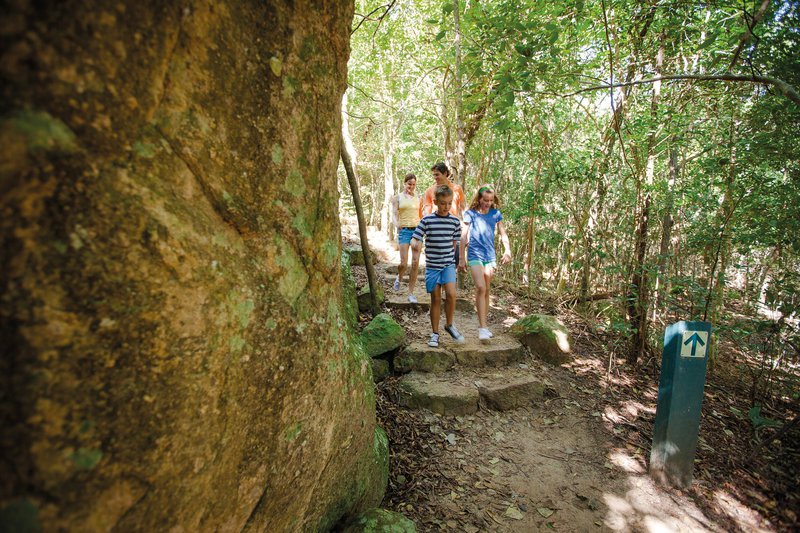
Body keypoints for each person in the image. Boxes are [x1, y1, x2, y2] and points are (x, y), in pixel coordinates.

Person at [411, 184, 465, 347]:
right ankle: (434, 333)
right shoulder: (427, 220)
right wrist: (415, 244)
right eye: (443, 203)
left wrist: (457, 261)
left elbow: (454, 244)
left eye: (449, 203)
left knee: (451, 294)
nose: (446, 207)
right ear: (435, 202)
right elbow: (416, 237)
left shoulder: (455, 222)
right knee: (435, 299)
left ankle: (449, 324)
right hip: (433, 266)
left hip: (448, 264)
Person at [458, 185, 512, 341]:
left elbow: (503, 233)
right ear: (479, 198)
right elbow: (463, 237)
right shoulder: (471, 214)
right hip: (475, 255)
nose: (488, 203)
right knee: (480, 287)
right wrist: (461, 258)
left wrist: (507, 250)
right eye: (485, 200)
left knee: (486, 290)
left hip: (490, 256)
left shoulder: (496, 214)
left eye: (491, 200)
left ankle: (485, 325)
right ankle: (482, 328)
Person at [390, 173, 421, 303]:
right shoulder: (397, 198)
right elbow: (393, 214)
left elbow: (421, 214)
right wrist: (397, 225)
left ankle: (410, 293)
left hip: (417, 231)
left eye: (413, 184)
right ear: (405, 183)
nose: (411, 187)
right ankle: (399, 276)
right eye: (409, 184)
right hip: (404, 232)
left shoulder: (419, 198)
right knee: (403, 263)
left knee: (415, 262)